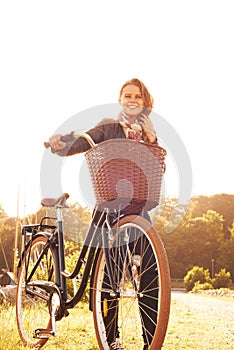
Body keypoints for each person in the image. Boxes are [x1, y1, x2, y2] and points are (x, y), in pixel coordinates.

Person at [48, 78, 159, 350]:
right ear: (121, 99)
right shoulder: (109, 124)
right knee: (109, 275)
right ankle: (113, 340)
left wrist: (152, 138)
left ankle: (151, 341)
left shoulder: (148, 131)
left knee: (150, 275)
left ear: (145, 102)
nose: (132, 99)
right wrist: (60, 144)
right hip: (109, 203)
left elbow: (158, 167)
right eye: (127, 95)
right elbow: (85, 140)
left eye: (138, 96)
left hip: (138, 208)